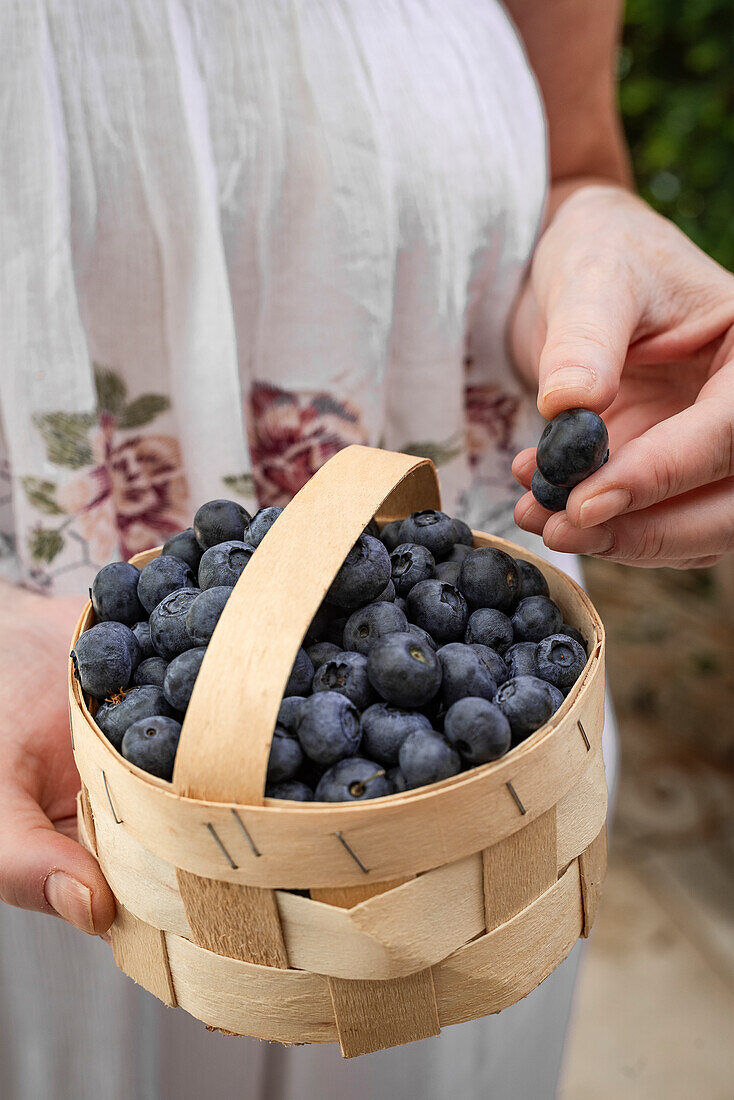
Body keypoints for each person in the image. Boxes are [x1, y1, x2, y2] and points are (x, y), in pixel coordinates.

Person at [0, 2, 732, 1097]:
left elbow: (573, 159)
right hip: (79, 777)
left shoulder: (459, 669)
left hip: (456, 858)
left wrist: (592, 238)